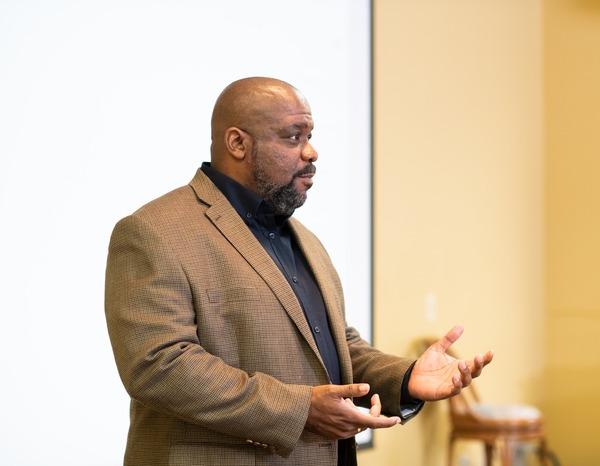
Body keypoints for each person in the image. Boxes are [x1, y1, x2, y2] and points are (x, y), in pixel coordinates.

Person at [104, 77, 493, 466]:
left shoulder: (305, 240)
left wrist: (405, 378)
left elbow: (337, 347)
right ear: (237, 143)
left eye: (310, 135)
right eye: (293, 137)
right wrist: (300, 409)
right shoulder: (154, 231)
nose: (311, 151)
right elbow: (159, 366)